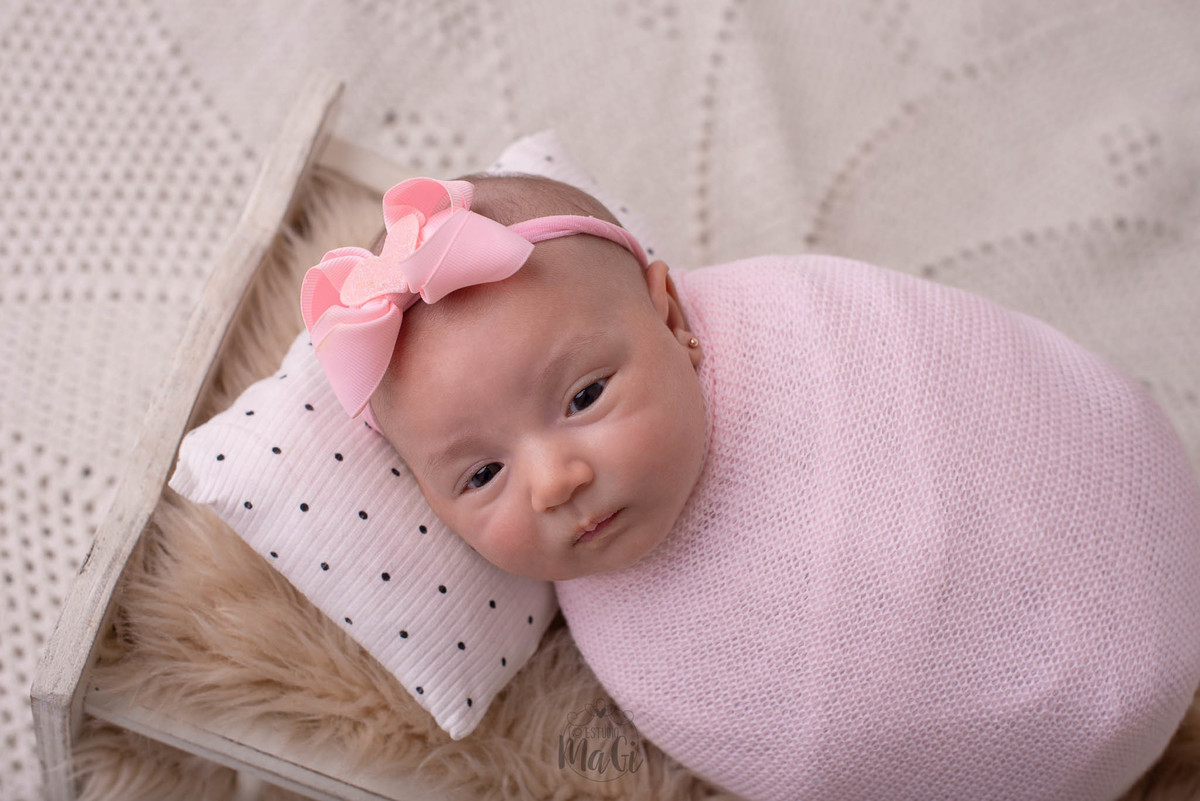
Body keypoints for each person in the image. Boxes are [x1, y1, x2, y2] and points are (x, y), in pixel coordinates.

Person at [301, 173, 1200, 801]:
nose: (555, 481)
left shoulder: (798, 327)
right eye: (482, 473)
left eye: (584, 396)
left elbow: (925, 368)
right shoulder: (640, 640)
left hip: (1127, 517)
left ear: (669, 315)